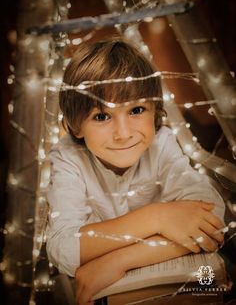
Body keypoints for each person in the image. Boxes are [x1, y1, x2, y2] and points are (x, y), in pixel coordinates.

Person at [46, 38, 225, 305]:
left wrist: (119, 260)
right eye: (101, 116)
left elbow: (212, 219)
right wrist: (156, 218)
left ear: (155, 114)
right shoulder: (68, 158)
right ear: (75, 126)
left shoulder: (162, 143)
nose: (123, 133)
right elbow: (63, 250)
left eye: (136, 110)